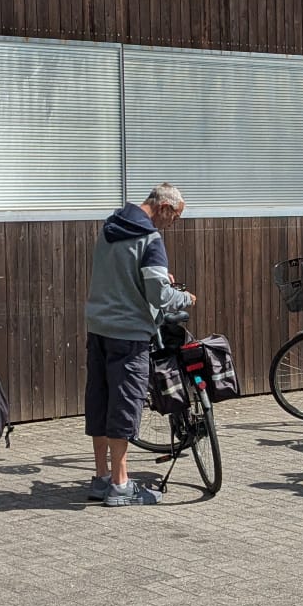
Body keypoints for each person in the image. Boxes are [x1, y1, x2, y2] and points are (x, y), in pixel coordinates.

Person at [84, 184, 193, 507]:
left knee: (100, 400)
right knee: (124, 403)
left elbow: (122, 275)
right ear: (164, 208)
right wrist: (184, 298)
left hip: (98, 327)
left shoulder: (110, 227)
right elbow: (159, 296)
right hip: (129, 334)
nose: (172, 224)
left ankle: (101, 477)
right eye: (175, 217)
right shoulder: (150, 239)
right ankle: (120, 485)